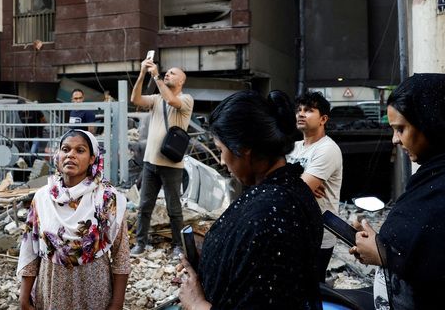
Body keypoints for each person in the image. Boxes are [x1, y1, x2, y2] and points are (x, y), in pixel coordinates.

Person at [179, 90, 323, 309]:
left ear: (243, 148)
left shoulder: (269, 214)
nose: (221, 161)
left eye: (221, 150)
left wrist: (195, 303)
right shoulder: (289, 189)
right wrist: (213, 258)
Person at [350, 73, 445, 309]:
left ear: (432, 124)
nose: (395, 140)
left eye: (401, 129)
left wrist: (383, 255)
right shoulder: (436, 175)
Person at [17, 129, 130, 310]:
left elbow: (121, 255)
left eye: (80, 150)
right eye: (66, 149)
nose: (71, 155)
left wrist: (116, 303)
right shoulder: (42, 198)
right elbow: (30, 249)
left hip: (94, 290)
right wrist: (24, 297)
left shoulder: (108, 199)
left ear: (92, 158)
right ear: (58, 155)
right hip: (51, 290)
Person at [130, 58, 193, 259]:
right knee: (144, 207)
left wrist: (156, 76)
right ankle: (140, 243)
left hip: (172, 165)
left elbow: (171, 101)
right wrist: (142, 74)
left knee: (174, 209)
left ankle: (178, 246)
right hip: (150, 164)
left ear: (182, 81)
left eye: (172, 73)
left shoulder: (186, 99)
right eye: (167, 73)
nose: (168, 74)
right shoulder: (156, 98)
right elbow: (136, 100)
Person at [287, 91, 343, 282]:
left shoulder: (327, 149)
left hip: (317, 235)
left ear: (323, 119)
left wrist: (296, 184)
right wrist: (298, 182)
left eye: (309, 110)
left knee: (311, 289)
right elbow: (278, 185)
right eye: (299, 110)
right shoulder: (293, 147)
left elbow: (293, 190)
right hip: (294, 229)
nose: (301, 114)